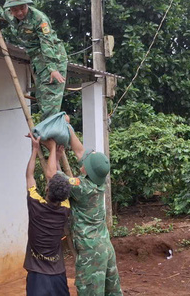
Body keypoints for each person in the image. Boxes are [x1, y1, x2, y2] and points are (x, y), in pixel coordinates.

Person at [42, 121, 123, 296]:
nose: (83, 159)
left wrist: (52, 149)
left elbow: (52, 176)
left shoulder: (82, 187)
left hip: (90, 253)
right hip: (105, 248)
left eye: (86, 161)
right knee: (112, 293)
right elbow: (80, 151)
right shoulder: (97, 183)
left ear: (88, 170)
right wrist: (67, 126)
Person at [0, 0, 68, 120]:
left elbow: (47, 43)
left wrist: (53, 69)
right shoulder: (11, 16)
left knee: (51, 100)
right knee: (42, 99)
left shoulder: (39, 18)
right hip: (37, 60)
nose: (19, 13)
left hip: (53, 58)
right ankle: (52, 133)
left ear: (27, 5)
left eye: (22, 8)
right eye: (15, 10)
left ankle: (50, 136)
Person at [24, 134, 72, 296]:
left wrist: (35, 149)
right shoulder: (65, 209)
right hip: (58, 273)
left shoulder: (35, 203)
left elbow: (29, 176)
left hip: (37, 274)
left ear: (46, 190)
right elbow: (58, 178)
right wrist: (57, 159)